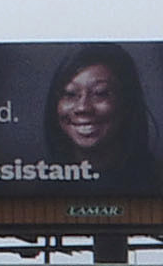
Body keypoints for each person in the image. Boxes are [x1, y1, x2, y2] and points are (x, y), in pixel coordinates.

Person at [40, 48, 154, 188]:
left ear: (127, 103)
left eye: (100, 93)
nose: (83, 107)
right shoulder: (39, 184)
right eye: (70, 94)